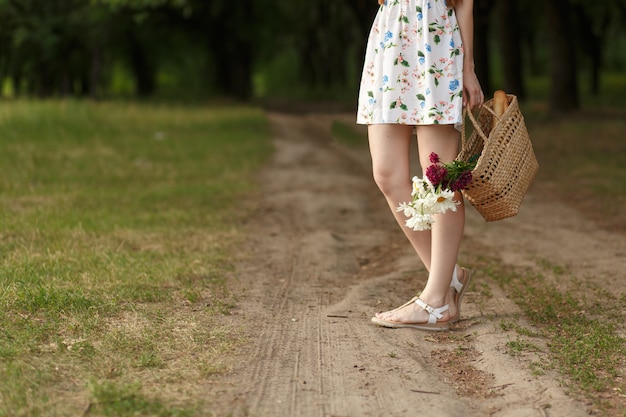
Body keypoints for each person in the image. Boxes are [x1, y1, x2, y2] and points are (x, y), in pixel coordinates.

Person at [357, 0, 484, 330]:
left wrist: (468, 68)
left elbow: (465, 3)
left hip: (435, 42)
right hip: (390, 40)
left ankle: (437, 301)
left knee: (440, 178)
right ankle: (447, 276)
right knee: (386, 173)